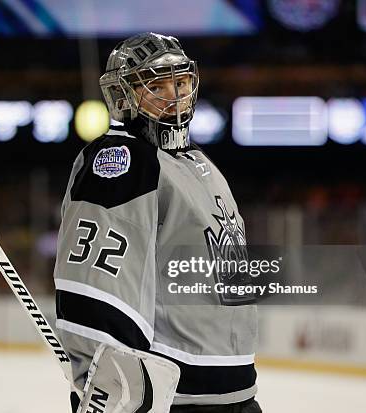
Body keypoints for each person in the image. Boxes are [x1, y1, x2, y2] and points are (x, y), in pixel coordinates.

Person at [53, 32, 261, 412]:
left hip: (236, 394)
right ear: (124, 96)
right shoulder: (123, 160)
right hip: (178, 397)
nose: (174, 95)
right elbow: (94, 289)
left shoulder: (197, 163)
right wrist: (106, 384)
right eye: (156, 86)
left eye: (180, 82)